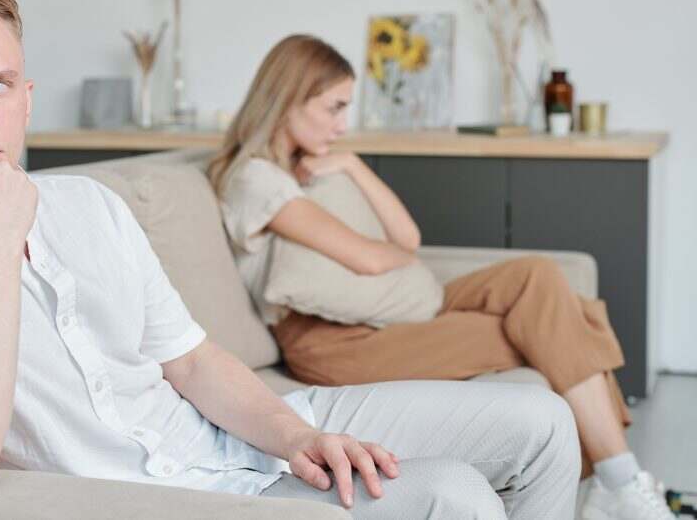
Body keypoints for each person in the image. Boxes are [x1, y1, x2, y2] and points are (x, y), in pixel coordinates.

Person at [0, 0, 582, 519]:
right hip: (169, 494)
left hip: (246, 430)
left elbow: (192, 360)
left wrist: (299, 436)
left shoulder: (90, 204)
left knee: (543, 420)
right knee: (456, 496)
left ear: (26, 100)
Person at [208, 33, 674, 520]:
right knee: (553, 326)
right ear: (286, 100)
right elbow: (369, 258)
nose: (342, 125)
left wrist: (352, 165)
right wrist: (397, 260)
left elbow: (407, 239)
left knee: (539, 277)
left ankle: (614, 484)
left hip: (379, 309)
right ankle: (618, 482)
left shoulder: (306, 169)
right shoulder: (254, 180)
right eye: (333, 108)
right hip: (334, 342)